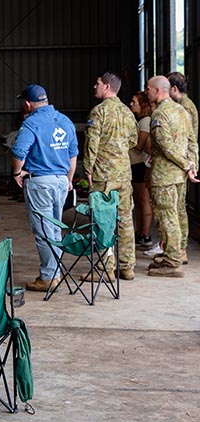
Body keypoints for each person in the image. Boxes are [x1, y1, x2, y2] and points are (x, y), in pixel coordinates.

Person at [10, 84, 78, 291]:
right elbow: (73, 153)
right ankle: (55, 273)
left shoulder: (32, 123)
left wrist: (16, 172)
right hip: (60, 181)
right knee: (55, 228)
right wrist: (68, 179)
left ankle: (48, 277)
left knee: (43, 231)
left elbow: (19, 151)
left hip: (40, 182)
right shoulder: (65, 121)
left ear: (28, 103)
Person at [83, 72, 139, 281]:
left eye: (97, 84)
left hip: (103, 175)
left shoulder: (98, 112)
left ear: (107, 86)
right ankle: (127, 266)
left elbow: (92, 143)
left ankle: (105, 268)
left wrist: (88, 169)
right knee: (124, 219)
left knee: (103, 220)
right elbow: (133, 140)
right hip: (124, 173)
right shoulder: (127, 112)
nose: (94, 87)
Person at [145, 76, 199, 277]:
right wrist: (192, 166)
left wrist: (187, 164)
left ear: (158, 91)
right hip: (180, 176)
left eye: (148, 89)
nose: (146, 93)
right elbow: (192, 141)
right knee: (176, 214)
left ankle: (172, 262)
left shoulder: (159, 114)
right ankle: (174, 253)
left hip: (164, 175)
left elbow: (166, 147)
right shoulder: (182, 111)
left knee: (166, 217)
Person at [166, 72, 200, 264]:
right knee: (178, 209)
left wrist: (190, 165)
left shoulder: (183, 108)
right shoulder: (185, 106)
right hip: (183, 163)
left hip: (180, 164)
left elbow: (189, 140)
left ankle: (179, 249)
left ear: (174, 89)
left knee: (177, 210)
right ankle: (178, 248)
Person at [129, 91, 155, 249]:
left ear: (142, 105)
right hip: (135, 164)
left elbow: (140, 146)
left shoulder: (145, 121)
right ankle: (140, 233)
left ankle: (146, 235)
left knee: (144, 200)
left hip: (139, 164)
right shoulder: (140, 121)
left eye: (134, 102)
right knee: (138, 201)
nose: (131, 104)